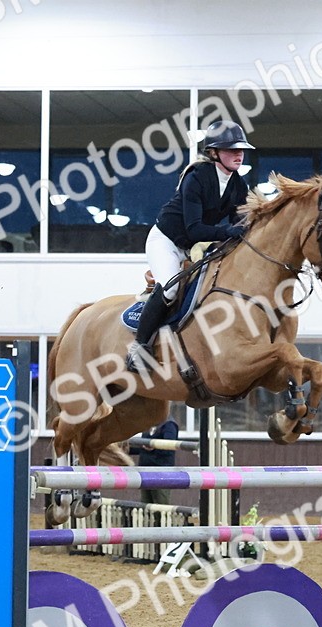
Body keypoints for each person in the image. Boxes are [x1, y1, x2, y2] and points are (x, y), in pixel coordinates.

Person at [124, 120, 255, 374]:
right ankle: (139, 348)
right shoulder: (197, 178)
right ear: (214, 152)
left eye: (240, 150)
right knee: (171, 289)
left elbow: (240, 223)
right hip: (166, 241)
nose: (238, 154)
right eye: (231, 150)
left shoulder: (239, 185)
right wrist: (227, 231)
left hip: (193, 245)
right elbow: (195, 228)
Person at [135, 416, 180, 505]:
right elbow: (143, 447)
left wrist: (153, 448)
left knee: (161, 504)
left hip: (162, 472)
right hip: (146, 471)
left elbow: (169, 447)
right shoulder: (148, 424)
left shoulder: (169, 425)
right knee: (145, 505)